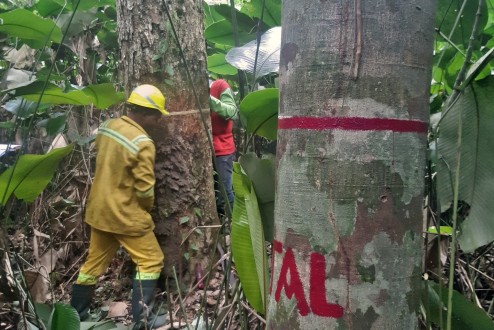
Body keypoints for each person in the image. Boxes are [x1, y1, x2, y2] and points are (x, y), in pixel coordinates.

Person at [70, 84, 168, 329]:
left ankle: (76, 314)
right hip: (124, 214)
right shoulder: (144, 143)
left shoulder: (107, 128)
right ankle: (142, 319)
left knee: (92, 264)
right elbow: (145, 189)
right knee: (151, 261)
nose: (158, 121)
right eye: (156, 115)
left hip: (99, 210)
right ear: (144, 113)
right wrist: (145, 209)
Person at [209, 79, 238, 216]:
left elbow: (232, 112)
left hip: (223, 149)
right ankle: (221, 223)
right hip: (208, 148)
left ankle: (233, 225)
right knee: (213, 190)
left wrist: (209, 100)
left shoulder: (220, 85)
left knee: (225, 191)